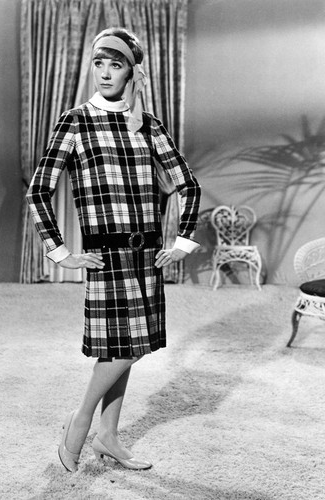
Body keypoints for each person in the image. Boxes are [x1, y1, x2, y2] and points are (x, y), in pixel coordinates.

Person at [26, 27, 201, 473]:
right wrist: (61, 253)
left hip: (147, 255)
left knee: (125, 348)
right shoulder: (75, 121)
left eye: (115, 64)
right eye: (98, 63)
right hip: (105, 258)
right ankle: (82, 419)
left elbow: (189, 185)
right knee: (127, 347)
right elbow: (38, 191)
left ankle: (107, 436)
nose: (104, 73)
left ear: (131, 73)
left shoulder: (149, 125)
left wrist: (182, 242)